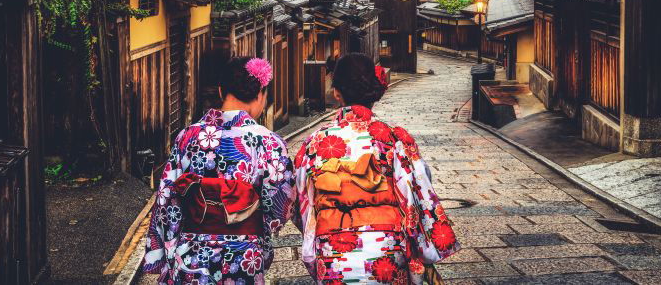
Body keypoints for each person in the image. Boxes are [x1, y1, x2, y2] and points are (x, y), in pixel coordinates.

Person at [293, 53, 458, 284]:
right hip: (386, 250)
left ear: (336, 93)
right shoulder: (394, 138)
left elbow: (299, 204)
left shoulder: (314, 143)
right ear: (374, 91)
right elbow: (420, 195)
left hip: (333, 252)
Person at [144, 56, 295, 284]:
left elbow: (167, 199)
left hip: (191, 252)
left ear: (221, 90)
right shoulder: (269, 142)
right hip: (245, 252)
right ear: (260, 94)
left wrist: (168, 249)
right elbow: (281, 206)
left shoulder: (187, 137)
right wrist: (255, 231)